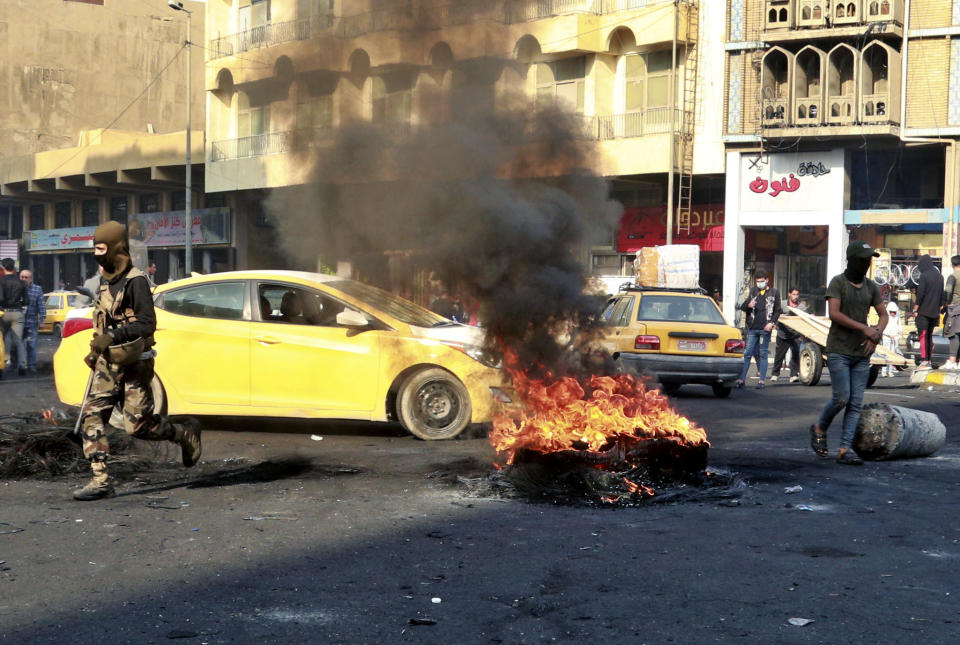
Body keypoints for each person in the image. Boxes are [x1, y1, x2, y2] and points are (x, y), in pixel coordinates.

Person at [73, 221, 202, 501]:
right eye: (94, 248)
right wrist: (96, 351)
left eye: (101, 248)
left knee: (138, 427)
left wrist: (114, 335)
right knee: (92, 416)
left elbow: (146, 324)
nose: (96, 254)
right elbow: (103, 321)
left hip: (135, 362)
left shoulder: (136, 281)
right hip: (108, 365)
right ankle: (100, 480)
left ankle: (183, 433)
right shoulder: (104, 281)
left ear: (116, 247)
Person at [810, 241, 888, 466]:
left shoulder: (871, 287)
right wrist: (863, 328)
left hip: (861, 353)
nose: (866, 264)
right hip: (839, 350)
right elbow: (834, 313)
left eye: (869, 260)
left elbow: (883, 315)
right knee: (841, 398)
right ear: (852, 260)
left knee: (855, 403)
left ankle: (844, 449)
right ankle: (819, 428)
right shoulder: (838, 283)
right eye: (863, 260)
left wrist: (876, 334)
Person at [736, 269, 781, 389]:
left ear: (767, 280)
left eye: (762, 281)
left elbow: (777, 310)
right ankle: (741, 379)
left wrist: (771, 323)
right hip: (752, 328)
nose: (760, 283)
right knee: (747, 354)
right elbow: (743, 306)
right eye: (758, 281)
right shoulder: (753, 291)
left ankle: (762, 381)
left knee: (763, 354)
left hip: (765, 328)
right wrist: (748, 305)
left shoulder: (774, 292)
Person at [912, 254, 943, 369]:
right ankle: (929, 359)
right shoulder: (940, 277)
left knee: (923, 335)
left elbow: (920, 295)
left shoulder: (924, 276)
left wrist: (915, 309)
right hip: (935, 312)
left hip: (923, 312)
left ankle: (924, 360)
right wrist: (939, 310)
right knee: (930, 336)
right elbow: (941, 296)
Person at [771, 288, 806, 383]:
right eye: (794, 294)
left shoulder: (801, 307)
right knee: (779, 355)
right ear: (789, 294)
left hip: (795, 334)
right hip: (783, 333)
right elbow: (775, 314)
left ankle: (794, 375)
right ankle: (775, 374)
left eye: (797, 294)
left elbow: (804, 320)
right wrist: (776, 325)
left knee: (795, 355)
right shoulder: (783, 304)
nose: (795, 296)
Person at [0, 258, 28, 376]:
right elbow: (27, 301)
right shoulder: (21, 282)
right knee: (18, 340)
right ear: (14, 268)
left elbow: (0, 298)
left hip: (2, 314)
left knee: (0, 340)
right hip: (17, 313)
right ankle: (22, 364)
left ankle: (2, 365)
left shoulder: (1, 282)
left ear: (3, 268)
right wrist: (18, 305)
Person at [19, 269, 45, 374]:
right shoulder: (17, 287)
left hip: (31, 321)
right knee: (17, 345)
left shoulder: (37, 289)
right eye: (22, 277)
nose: (24, 279)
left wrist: (42, 320)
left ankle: (31, 365)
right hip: (19, 322)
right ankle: (16, 365)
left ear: (31, 279)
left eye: (26, 277)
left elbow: (41, 305)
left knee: (31, 345)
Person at [942, 254, 960, 370]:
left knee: (953, 334)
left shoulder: (953, 276)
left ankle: (952, 361)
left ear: (952, 265)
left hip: (955, 308)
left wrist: (946, 304)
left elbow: (948, 291)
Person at [881, 301, 902, 377]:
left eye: (894, 312)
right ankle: (884, 371)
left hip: (895, 337)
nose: (893, 313)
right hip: (886, 337)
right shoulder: (885, 316)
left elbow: (899, 324)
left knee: (892, 354)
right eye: (891, 312)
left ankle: (890, 371)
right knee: (885, 354)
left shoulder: (897, 315)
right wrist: (888, 334)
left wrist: (900, 331)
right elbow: (883, 327)